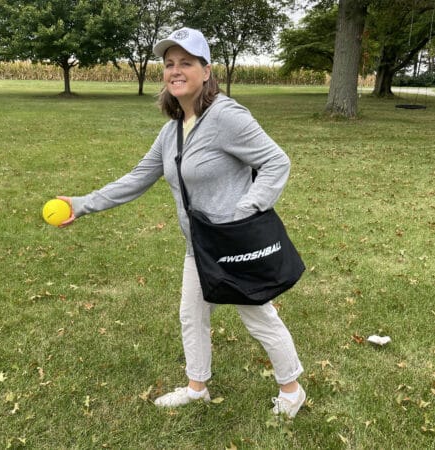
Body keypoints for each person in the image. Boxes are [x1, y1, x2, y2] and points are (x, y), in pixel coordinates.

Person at [58, 27, 305, 417]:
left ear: (206, 71)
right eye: (169, 64)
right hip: (200, 244)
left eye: (186, 63)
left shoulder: (227, 116)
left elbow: (277, 161)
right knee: (191, 315)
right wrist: (82, 203)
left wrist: (247, 209)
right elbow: (138, 178)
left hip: (233, 245)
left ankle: (291, 390)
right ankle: (197, 387)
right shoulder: (172, 131)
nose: (175, 70)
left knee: (258, 316)